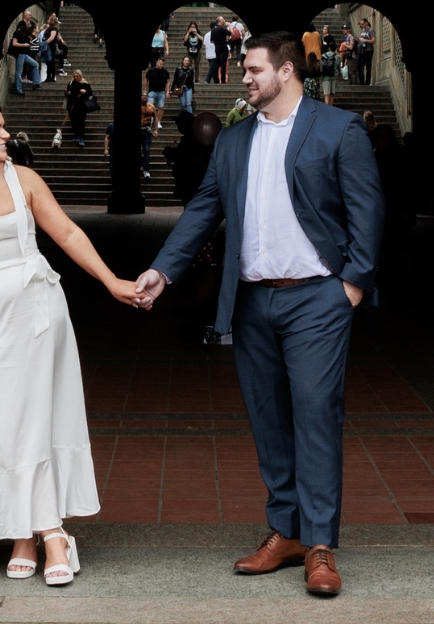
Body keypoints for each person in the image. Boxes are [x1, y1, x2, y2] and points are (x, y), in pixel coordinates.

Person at [134, 32, 385, 597]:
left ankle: (320, 544)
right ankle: (286, 531)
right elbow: (204, 210)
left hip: (318, 298)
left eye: (252, 69)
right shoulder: (233, 140)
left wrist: (351, 286)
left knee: (316, 413)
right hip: (251, 301)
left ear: (286, 71)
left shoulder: (337, 129)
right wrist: (163, 270)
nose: (243, 78)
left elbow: (368, 211)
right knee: (268, 419)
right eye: (244, 70)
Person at [0, 97, 147, 584]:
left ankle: (43, 533)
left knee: (34, 417)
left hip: (36, 313)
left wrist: (112, 282)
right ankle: (36, 530)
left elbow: (65, 232)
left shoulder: (22, 179)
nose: (6, 136)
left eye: (5, 128)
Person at [10, 14, 40, 95]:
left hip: (24, 54)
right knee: (19, 72)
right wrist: (24, 45)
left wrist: (29, 39)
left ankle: (36, 82)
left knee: (35, 64)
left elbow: (29, 40)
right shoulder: (17, 33)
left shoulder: (25, 34)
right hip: (20, 54)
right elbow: (14, 44)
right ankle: (18, 89)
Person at [64, 69, 92, 147]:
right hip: (72, 106)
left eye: (77, 76)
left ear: (80, 76)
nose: (76, 78)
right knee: (73, 121)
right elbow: (67, 93)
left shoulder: (85, 84)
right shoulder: (71, 83)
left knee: (81, 122)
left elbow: (90, 93)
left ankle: (81, 137)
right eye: (74, 76)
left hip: (81, 106)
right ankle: (76, 135)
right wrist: (67, 92)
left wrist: (85, 92)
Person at [145, 57, 170, 130]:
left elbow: (168, 81)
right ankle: (150, 120)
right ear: (157, 62)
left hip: (161, 92)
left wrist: (167, 91)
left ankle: (158, 121)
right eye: (160, 64)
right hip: (152, 91)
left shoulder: (165, 72)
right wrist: (145, 90)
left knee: (161, 107)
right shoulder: (151, 71)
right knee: (150, 107)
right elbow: (146, 79)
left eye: (162, 64)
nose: (161, 65)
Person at [140, 93, 156, 178]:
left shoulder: (151, 107)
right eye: (143, 96)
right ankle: (142, 164)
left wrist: (156, 129)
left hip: (147, 131)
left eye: (146, 97)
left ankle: (146, 169)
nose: (144, 98)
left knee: (146, 150)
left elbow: (155, 118)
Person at [319, 33, 337, 106]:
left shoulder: (323, 56)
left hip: (325, 76)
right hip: (334, 76)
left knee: (326, 94)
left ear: (329, 48)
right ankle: (331, 107)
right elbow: (338, 66)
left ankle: (326, 107)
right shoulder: (337, 56)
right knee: (332, 93)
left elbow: (321, 66)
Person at [211, 16, 230, 84]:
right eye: (223, 20)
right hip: (223, 47)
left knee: (217, 64)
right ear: (220, 21)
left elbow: (211, 40)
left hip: (217, 48)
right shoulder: (222, 29)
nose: (224, 21)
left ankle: (216, 80)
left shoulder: (213, 29)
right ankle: (223, 80)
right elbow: (232, 33)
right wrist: (229, 25)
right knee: (223, 64)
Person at [357, 18, 376, 85]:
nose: (362, 25)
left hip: (368, 50)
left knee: (368, 66)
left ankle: (367, 82)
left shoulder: (370, 30)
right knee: (360, 65)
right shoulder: (362, 30)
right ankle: (361, 82)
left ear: (366, 23)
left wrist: (365, 40)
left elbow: (374, 40)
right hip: (362, 50)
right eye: (361, 24)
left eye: (363, 24)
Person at [42, 15, 61, 83]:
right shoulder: (49, 28)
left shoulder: (54, 29)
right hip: (48, 46)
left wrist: (44, 43)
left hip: (50, 46)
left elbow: (52, 37)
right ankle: (48, 76)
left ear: (52, 21)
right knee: (48, 61)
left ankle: (52, 76)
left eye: (49, 19)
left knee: (51, 61)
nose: (48, 20)